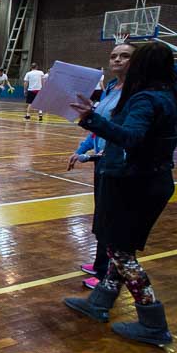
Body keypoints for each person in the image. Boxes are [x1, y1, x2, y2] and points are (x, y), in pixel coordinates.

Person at [64, 42, 177, 347]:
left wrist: (92, 119)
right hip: (156, 181)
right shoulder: (173, 98)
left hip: (134, 184)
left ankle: (153, 322)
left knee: (120, 253)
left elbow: (131, 138)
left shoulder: (145, 99)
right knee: (122, 249)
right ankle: (99, 302)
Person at [67, 43, 135, 290]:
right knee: (102, 216)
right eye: (113, 55)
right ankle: (99, 264)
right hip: (103, 162)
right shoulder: (110, 88)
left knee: (110, 219)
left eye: (124, 56)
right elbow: (98, 125)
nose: (117, 59)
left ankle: (106, 273)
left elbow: (123, 133)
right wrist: (82, 149)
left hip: (117, 164)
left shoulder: (134, 93)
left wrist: (94, 156)